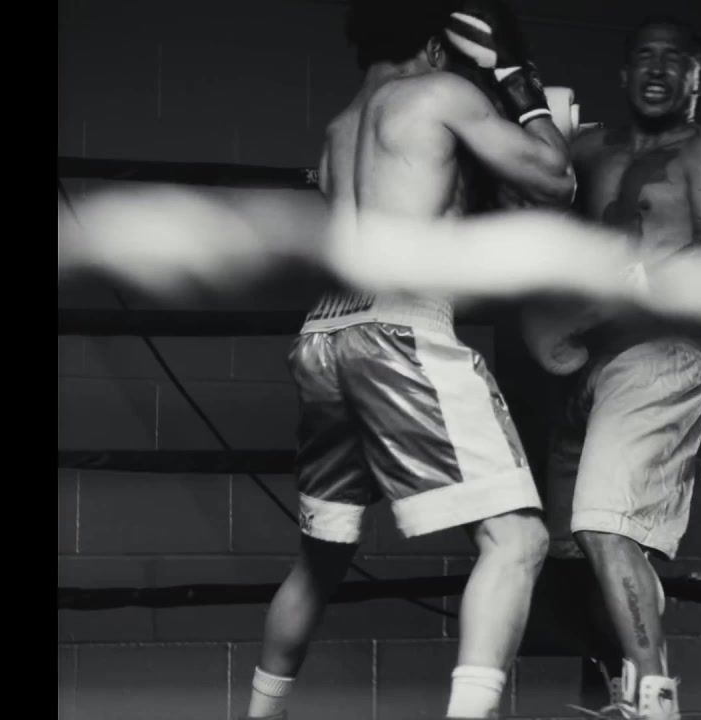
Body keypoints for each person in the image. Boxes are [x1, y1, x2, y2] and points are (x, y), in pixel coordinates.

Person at [241, 2, 576, 719]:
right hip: (399, 333)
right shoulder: (441, 93)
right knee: (518, 539)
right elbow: (556, 178)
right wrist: (518, 82)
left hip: (323, 337)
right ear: (437, 43)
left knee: (320, 560)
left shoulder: (339, 129)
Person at [539, 16, 701, 719]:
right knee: (571, 555)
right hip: (576, 368)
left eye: (674, 59)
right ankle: (615, 695)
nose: (657, 69)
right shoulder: (585, 148)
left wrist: (602, 307)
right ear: (624, 72)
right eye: (644, 56)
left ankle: (656, 704)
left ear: (699, 78)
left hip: (655, 357)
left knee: (606, 528)